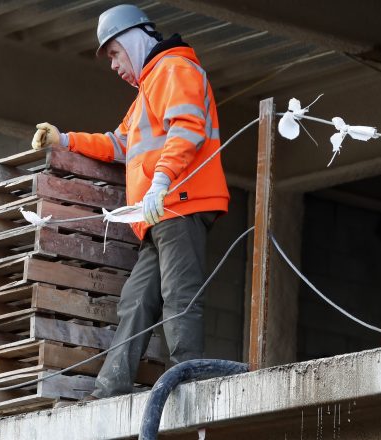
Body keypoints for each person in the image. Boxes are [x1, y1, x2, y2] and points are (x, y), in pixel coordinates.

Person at [31, 4, 229, 399]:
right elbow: (118, 143)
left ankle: (187, 379)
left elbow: (187, 127)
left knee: (179, 294)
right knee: (136, 301)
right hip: (158, 212)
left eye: (115, 53)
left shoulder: (175, 69)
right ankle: (111, 387)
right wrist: (65, 140)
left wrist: (160, 181)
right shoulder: (148, 91)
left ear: (133, 40)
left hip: (178, 204)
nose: (114, 65)